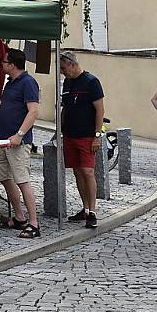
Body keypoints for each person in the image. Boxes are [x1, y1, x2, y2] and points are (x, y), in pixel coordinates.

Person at [0, 49, 41, 239]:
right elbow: (8, 109)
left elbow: (33, 112)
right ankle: (20, 216)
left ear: (12, 64)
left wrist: (20, 135)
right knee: (5, 178)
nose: (2, 65)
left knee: (22, 180)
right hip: (3, 139)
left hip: (17, 142)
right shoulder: (10, 84)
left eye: (4, 62)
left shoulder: (28, 83)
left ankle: (34, 223)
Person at [59, 51, 104, 229]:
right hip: (70, 135)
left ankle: (92, 211)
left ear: (72, 64)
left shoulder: (91, 82)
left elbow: (100, 110)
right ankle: (85, 208)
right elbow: (65, 107)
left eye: (64, 68)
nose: (63, 72)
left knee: (88, 172)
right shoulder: (67, 83)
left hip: (87, 135)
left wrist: (97, 136)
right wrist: (61, 129)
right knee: (77, 172)